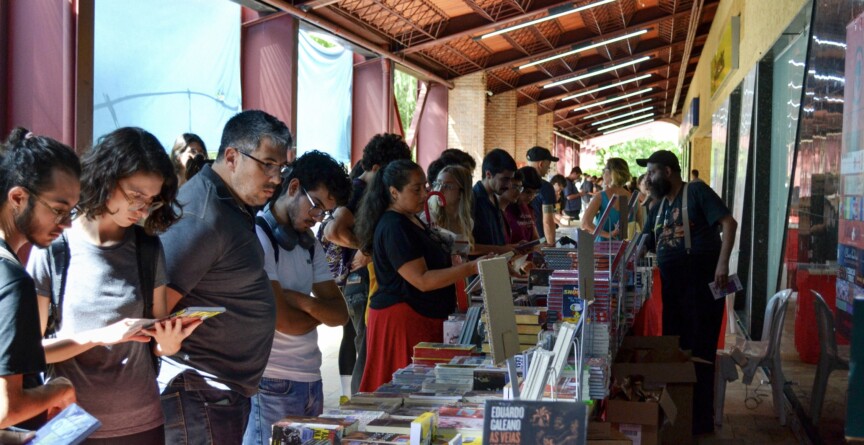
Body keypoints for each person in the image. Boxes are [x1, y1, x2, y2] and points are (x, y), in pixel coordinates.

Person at [29, 127, 199, 443]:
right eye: (135, 196)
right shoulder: (55, 248)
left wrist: (171, 342)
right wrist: (102, 336)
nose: (143, 209)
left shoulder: (148, 249)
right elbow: (30, 353)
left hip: (142, 423)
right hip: (73, 425)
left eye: (152, 200)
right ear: (106, 179)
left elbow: (158, 341)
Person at [157, 110, 292, 444]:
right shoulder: (203, 215)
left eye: (283, 168)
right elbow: (156, 308)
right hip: (199, 392)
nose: (277, 178)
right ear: (232, 156)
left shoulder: (230, 203)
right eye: (268, 164)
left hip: (218, 394)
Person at [243, 151, 351, 445]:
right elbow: (284, 321)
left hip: (311, 378)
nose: (316, 220)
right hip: (271, 382)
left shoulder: (309, 243)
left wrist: (300, 300)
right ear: (293, 188)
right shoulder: (259, 237)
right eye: (315, 207)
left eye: (324, 214)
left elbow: (340, 314)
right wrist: (317, 313)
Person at [355, 160, 486, 392]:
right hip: (404, 320)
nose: (425, 194)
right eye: (416, 189)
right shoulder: (394, 225)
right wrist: (472, 268)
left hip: (421, 316)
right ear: (394, 192)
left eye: (425, 186)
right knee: (403, 389)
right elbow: (422, 280)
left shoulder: (410, 219)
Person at [637, 150, 737, 435]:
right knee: (677, 351)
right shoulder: (657, 206)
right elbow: (644, 241)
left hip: (701, 286)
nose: (648, 178)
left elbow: (729, 223)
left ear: (668, 171)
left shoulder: (696, 192)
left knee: (701, 352)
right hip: (674, 289)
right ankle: (680, 416)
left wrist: (722, 264)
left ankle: (700, 422)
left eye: (653, 172)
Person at [320, 133, 411, 397]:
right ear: (376, 169)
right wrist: (371, 250)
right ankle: (358, 408)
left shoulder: (364, 189)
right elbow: (333, 230)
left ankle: (353, 400)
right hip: (358, 280)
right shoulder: (358, 189)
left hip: (357, 280)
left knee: (360, 344)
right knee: (367, 350)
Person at [0, 129, 78, 431]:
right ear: (18, 197)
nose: (68, 223)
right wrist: (59, 389)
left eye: (72, 211)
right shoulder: (13, 281)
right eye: (58, 210)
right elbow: (6, 409)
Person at [472, 149, 517, 255]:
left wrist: (511, 247)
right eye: (505, 179)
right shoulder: (472, 199)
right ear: (488, 174)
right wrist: (501, 250)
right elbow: (467, 247)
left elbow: (496, 243)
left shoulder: (495, 199)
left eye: (510, 180)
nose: (509, 185)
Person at [581, 158, 632, 241]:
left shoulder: (601, 196)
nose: (603, 174)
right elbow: (639, 226)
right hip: (625, 249)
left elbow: (585, 224)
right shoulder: (632, 198)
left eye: (604, 170)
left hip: (602, 248)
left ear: (610, 173)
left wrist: (608, 234)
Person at [426, 165, 475, 251]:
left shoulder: (468, 222)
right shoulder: (429, 218)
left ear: (461, 193)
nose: (440, 190)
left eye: (447, 186)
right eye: (438, 184)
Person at [500, 167, 542, 245]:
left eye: (535, 193)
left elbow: (535, 237)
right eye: (528, 192)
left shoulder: (527, 207)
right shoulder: (504, 209)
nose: (531, 197)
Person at [526, 146, 558, 246]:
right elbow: (548, 221)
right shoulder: (546, 187)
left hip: (519, 243)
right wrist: (551, 245)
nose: (548, 168)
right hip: (539, 242)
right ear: (541, 164)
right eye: (548, 165)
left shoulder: (516, 182)